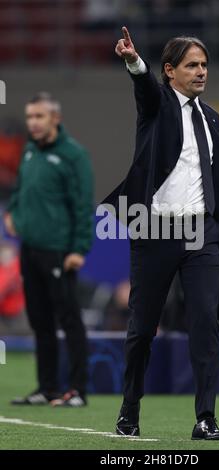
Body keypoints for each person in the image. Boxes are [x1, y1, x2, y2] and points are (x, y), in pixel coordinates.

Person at [103, 27, 219, 439]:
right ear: (170, 71)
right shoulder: (157, 106)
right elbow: (144, 87)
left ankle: (205, 418)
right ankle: (129, 411)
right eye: (192, 65)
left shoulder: (212, 117)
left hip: (200, 233)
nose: (200, 71)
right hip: (155, 229)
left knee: (205, 321)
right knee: (142, 328)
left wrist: (218, 226)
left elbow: (216, 177)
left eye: (204, 65)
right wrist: (133, 62)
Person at [4, 92, 94, 407]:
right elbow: (20, 188)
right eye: (30, 117)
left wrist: (79, 248)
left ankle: (78, 390)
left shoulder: (73, 156)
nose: (33, 123)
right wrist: (12, 211)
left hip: (59, 251)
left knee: (69, 319)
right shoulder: (29, 151)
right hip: (30, 249)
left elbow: (83, 206)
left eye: (39, 117)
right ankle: (48, 388)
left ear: (55, 118)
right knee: (40, 321)